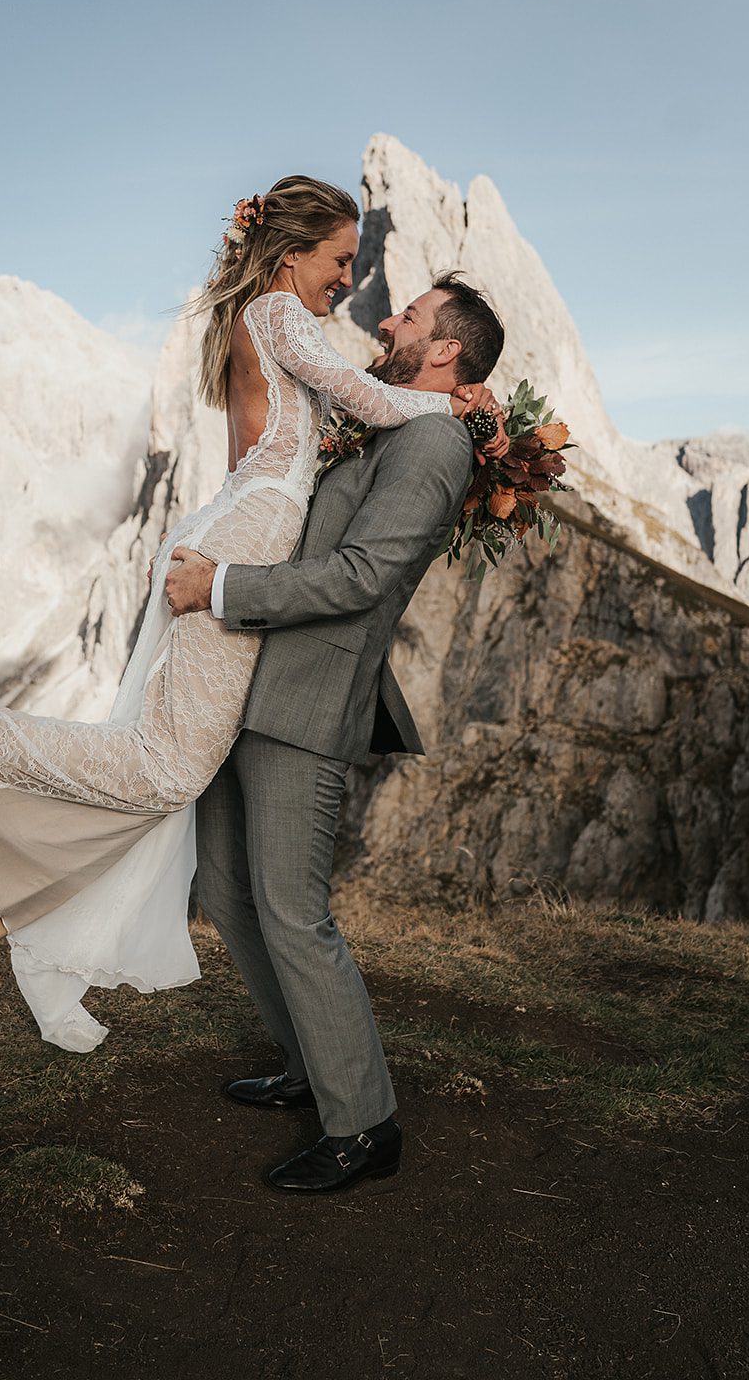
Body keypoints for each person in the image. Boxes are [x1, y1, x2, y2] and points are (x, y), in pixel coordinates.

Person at [0, 176, 505, 1057]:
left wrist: (452, 409)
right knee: (164, 770)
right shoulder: (280, 315)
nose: (349, 285)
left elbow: (349, 405)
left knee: (163, 764)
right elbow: (369, 402)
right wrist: (457, 404)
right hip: (246, 535)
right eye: (338, 261)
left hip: (240, 526)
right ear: (290, 255)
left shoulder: (265, 317)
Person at [164, 274, 506, 1193]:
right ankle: (309, 1066)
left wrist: (220, 590)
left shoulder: (432, 442)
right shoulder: (398, 420)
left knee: (292, 911)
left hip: (308, 703)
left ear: (443, 351)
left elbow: (359, 576)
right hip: (252, 683)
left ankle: (363, 1126)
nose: (387, 319)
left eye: (410, 316)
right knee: (230, 892)